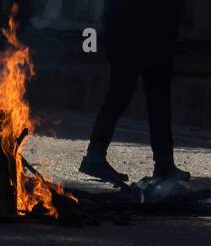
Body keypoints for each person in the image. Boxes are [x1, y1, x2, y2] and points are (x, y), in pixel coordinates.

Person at [80, 0, 190, 184]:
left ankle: (96, 156)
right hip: (144, 32)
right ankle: (162, 164)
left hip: (137, 31)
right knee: (147, 97)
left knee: (135, 95)